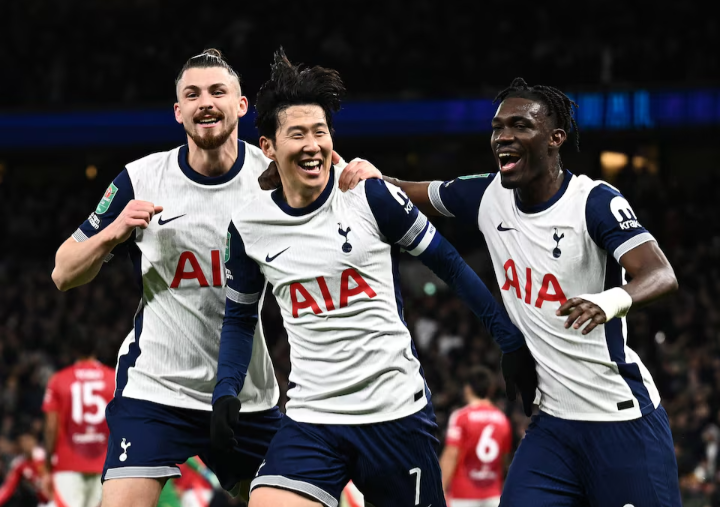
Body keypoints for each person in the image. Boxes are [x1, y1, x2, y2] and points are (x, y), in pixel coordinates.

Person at [211, 49, 535, 507]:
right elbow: (241, 319)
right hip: (312, 419)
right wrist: (226, 389)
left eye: (320, 132)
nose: (312, 144)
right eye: (297, 133)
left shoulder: (368, 196)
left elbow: (450, 264)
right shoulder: (248, 227)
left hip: (395, 414)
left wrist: (509, 339)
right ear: (268, 146)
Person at [343, 77, 683, 506]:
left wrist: (608, 300)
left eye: (520, 126)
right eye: (497, 127)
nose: (503, 136)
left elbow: (660, 273)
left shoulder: (594, 201)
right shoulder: (488, 195)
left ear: (555, 138)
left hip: (622, 421)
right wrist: (363, 173)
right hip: (553, 428)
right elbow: (410, 193)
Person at [50, 49, 285, 507]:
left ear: (242, 105)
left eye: (218, 91)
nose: (205, 102)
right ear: (178, 112)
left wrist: (369, 176)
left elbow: (342, 194)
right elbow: (63, 271)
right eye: (192, 94)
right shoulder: (140, 179)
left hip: (245, 394)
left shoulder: (273, 176)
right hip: (156, 389)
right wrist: (115, 232)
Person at [41, 331, 115, 507]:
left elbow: (51, 427)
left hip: (67, 462)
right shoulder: (114, 378)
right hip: (105, 462)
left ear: (72, 350)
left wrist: (47, 464)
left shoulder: (58, 380)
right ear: (96, 349)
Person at [440, 366, 511, 507]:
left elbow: (451, 455)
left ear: (468, 388)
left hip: (463, 495)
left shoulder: (461, 417)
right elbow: (505, 460)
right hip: (493, 496)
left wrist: (439, 489)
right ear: (490, 389)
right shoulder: (502, 419)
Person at [0, 432, 49, 506]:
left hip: (59, 496)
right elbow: (8, 488)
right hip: (44, 503)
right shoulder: (20, 465)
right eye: (22, 441)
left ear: (34, 441)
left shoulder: (46, 457)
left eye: (27, 440)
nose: (25, 444)